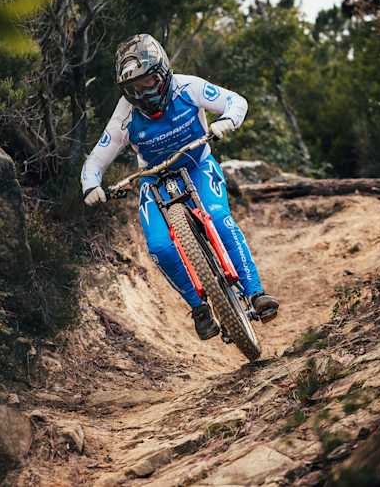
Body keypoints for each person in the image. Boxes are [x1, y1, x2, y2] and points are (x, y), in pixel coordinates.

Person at [81, 33, 279, 340]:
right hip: (154, 179)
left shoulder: (188, 87)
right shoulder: (125, 114)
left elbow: (235, 101)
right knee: (160, 246)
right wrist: (91, 185)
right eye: (134, 88)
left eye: (147, 82)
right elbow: (95, 161)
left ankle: (255, 293)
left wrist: (227, 120)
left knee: (219, 217)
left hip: (198, 164)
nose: (142, 92)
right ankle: (199, 308)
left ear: (162, 73)